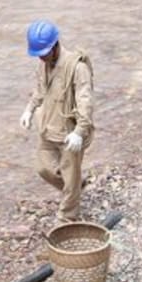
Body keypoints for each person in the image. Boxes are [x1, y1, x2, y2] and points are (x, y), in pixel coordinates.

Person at [19, 20, 95, 223]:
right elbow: (39, 90)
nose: (41, 58)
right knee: (44, 168)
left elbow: (85, 101)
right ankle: (75, 190)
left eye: (44, 52)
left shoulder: (77, 68)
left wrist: (79, 131)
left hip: (70, 132)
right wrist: (29, 110)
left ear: (55, 46)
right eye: (38, 54)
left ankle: (67, 217)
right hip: (48, 128)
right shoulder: (44, 64)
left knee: (70, 176)